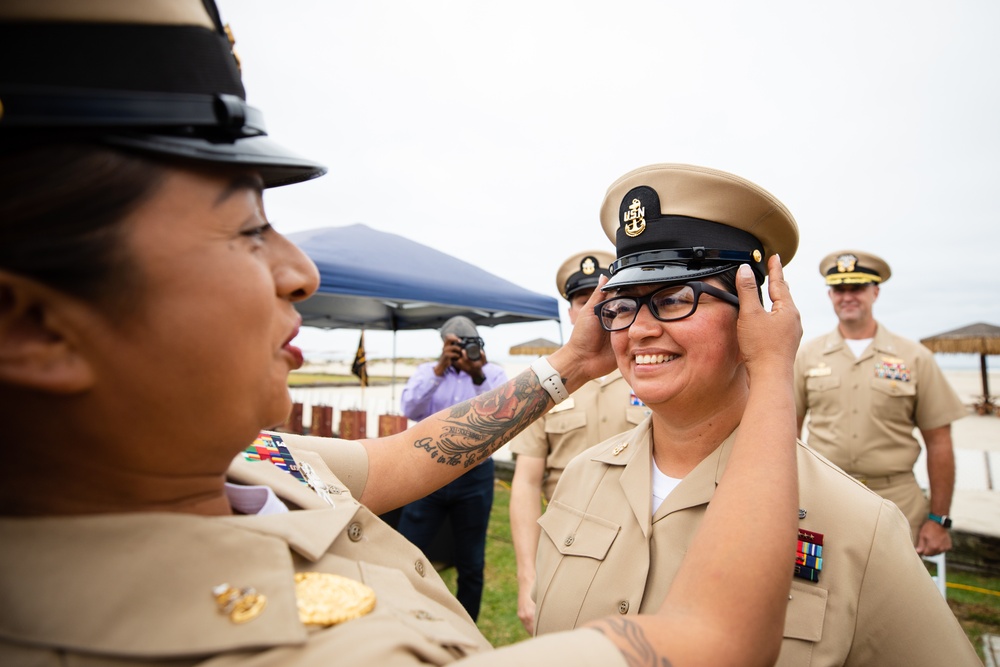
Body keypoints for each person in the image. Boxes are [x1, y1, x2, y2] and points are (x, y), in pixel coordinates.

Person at [0, 4, 804, 665]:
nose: (300, 271)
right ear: (34, 326)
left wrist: (572, 361)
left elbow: (399, 458)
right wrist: (771, 375)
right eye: (246, 229)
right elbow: (713, 639)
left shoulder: (233, 464)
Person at [530, 163, 980, 666]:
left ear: (750, 315)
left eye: (674, 299)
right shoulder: (579, 479)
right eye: (621, 306)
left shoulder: (859, 525)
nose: (638, 330)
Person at [508, 250, 646, 633]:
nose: (596, 309)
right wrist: (526, 577)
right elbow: (526, 482)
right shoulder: (547, 382)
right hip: (563, 548)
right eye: (585, 301)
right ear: (571, 311)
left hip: (641, 549)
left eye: (610, 300)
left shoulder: (650, 367)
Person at [794, 250, 967, 555]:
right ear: (830, 295)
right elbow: (785, 432)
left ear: (875, 291)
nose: (847, 297)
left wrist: (938, 520)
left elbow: (939, 442)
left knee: (896, 600)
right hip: (825, 499)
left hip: (897, 502)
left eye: (857, 288)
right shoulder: (807, 356)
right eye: (839, 289)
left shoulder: (914, 357)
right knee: (824, 596)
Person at [397, 316, 508, 620]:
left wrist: (477, 376)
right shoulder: (427, 373)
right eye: (455, 345)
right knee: (406, 550)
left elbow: (502, 418)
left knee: (471, 561)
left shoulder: (493, 375)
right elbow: (409, 409)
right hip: (428, 473)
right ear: (444, 344)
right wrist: (438, 370)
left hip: (474, 476)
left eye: (469, 344)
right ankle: (402, 615)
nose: (463, 351)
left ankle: (466, 626)